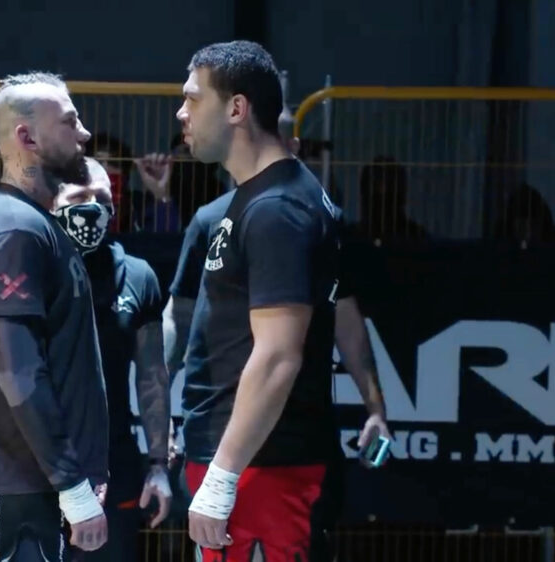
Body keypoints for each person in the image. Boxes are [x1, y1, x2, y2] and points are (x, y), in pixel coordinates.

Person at [163, 112, 391, 561]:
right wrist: (163, 421)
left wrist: (376, 409)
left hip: (292, 447)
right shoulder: (209, 221)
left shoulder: (320, 219)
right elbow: (180, 317)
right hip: (215, 440)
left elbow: (343, 321)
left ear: (294, 147)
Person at [174, 40, 344, 561]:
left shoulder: (278, 209)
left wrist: (223, 476)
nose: (181, 113)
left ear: (236, 108)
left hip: (264, 469)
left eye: (193, 98)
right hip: (245, 461)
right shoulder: (257, 199)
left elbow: (277, 355)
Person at [0, 71, 109, 562]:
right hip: (24, 494)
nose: (84, 133)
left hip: (37, 489)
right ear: (28, 138)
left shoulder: (31, 223)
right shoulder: (13, 230)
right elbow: (18, 372)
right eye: (70, 122)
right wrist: (72, 485)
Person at [49, 157, 173, 562]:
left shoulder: (136, 276)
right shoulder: (30, 269)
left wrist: (158, 463)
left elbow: (152, 376)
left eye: (101, 199)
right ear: (52, 203)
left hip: (112, 461)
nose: (91, 208)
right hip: (39, 462)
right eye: (79, 197)